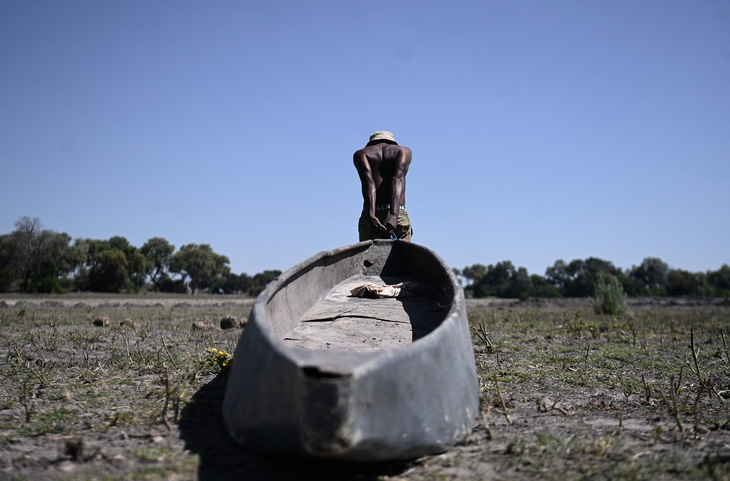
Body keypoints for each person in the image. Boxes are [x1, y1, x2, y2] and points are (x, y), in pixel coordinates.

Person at [354, 131, 413, 242]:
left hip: (371, 215)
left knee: (369, 258)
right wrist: (394, 215)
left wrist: (371, 215)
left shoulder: (362, 154)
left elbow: (368, 183)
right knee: (403, 258)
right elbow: (397, 179)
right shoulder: (403, 151)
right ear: (392, 142)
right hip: (398, 213)